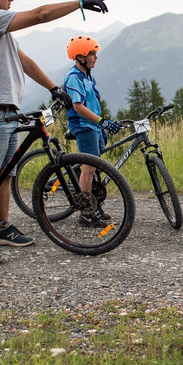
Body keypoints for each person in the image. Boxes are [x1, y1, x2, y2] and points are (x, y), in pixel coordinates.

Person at [0, 0, 110, 265]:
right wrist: (79, 3)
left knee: (5, 175)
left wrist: (54, 88)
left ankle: (2, 228)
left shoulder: (1, 32)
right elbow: (40, 14)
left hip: (5, 112)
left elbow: (24, 61)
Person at [62, 35, 122, 225]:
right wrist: (102, 122)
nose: (95, 57)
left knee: (93, 167)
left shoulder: (88, 76)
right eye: (92, 54)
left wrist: (102, 124)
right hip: (84, 126)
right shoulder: (73, 78)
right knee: (88, 169)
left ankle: (94, 204)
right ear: (80, 57)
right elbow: (78, 107)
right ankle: (86, 213)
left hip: (93, 126)